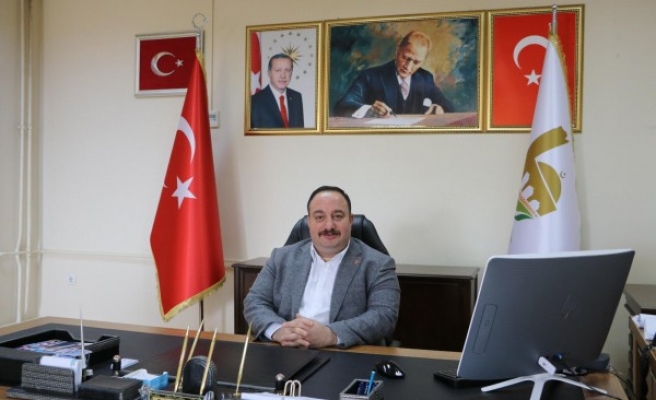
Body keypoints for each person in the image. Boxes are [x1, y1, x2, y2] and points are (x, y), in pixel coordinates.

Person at [243, 186, 400, 349]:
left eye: (338, 216)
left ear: (350, 220)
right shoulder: (280, 257)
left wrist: (330, 335)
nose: (329, 225)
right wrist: (278, 330)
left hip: (346, 352)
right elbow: (255, 301)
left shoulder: (378, 264)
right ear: (309, 222)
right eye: (319, 217)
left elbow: (384, 316)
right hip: (286, 349)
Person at [333, 31, 455, 118]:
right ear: (398, 50)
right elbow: (341, 105)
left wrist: (440, 109)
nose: (408, 66)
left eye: (416, 62)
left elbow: (450, 107)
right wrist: (369, 110)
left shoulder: (425, 78)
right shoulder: (370, 76)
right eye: (405, 58)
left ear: (423, 61)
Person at [251, 53, 304, 128]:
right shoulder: (255, 101)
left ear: (291, 73)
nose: (283, 75)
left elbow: (300, 131)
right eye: (278, 70)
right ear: (269, 73)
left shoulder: (296, 97)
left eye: (287, 70)